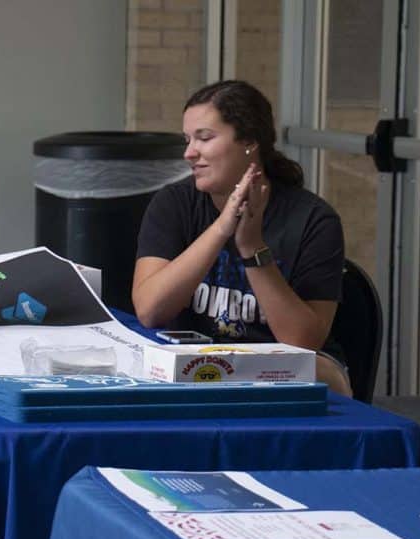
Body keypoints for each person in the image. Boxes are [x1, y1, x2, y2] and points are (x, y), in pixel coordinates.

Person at [132, 80, 353, 397]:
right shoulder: (174, 203)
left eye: (204, 138)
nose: (189, 153)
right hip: (196, 367)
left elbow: (302, 344)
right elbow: (150, 310)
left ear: (250, 141)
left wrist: (251, 248)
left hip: (283, 373)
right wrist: (222, 228)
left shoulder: (314, 220)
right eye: (187, 140)